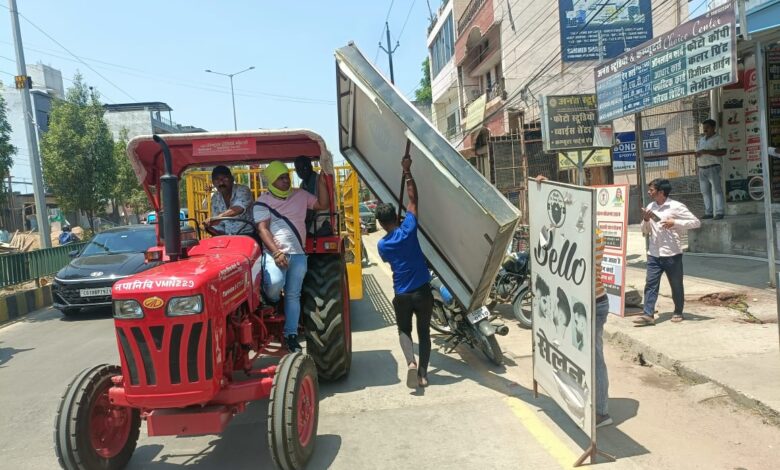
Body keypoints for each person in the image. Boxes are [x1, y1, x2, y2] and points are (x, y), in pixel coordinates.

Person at [254, 160, 330, 353]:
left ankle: (291, 336)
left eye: (286, 177)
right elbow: (262, 229)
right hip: (275, 254)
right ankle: (269, 301)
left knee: (293, 295)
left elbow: (322, 204)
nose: (286, 181)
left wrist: (321, 183)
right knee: (275, 284)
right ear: (271, 180)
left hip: (298, 255)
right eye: (280, 178)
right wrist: (276, 252)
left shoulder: (300, 195)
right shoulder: (262, 202)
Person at [375, 156, 432, 388]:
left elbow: (388, 261)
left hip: (402, 295)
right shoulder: (408, 229)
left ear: (380, 223)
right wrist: (407, 171)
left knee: (404, 330)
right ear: (396, 217)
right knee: (424, 333)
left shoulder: (382, 245)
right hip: (422, 292)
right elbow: (413, 199)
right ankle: (423, 375)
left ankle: (410, 362)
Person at [635, 178, 701, 326]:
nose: (649, 192)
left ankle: (678, 311)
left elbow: (696, 222)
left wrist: (675, 223)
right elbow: (645, 231)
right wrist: (645, 220)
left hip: (672, 254)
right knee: (651, 284)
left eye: (652, 190)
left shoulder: (676, 206)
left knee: (676, 284)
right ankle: (648, 314)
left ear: (661, 192)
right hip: (654, 253)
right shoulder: (651, 207)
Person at [205, 166, 255, 235]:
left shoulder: (243, 190)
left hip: (248, 234)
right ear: (213, 182)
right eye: (217, 180)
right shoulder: (215, 198)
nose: (221, 183)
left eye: (225, 179)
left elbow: (239, 208)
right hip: (228, 237)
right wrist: (210, 228)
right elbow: (219, 225)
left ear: (232, 179)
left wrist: (219, 217)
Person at [695, 119, 727, 220]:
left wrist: (707, 152)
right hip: (702, 168)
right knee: (705, 192)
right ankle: (708, 212)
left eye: (707, 128)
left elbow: (723, 151)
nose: (705, 130)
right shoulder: (701, 139)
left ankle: (720, 212)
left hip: (713, 167)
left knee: (717, 190)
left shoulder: (718, 138)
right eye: (704, 128)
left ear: (713, 128)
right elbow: (698, 152)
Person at [294, 156, 332, 236]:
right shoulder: (302, 185)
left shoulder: (320, 180)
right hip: (310, 220)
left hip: (322, 221)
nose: (301, 172)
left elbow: (325, 207)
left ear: (310, 167)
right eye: (298, 169)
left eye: (304, 168)